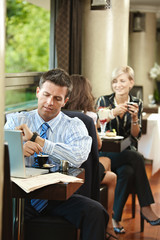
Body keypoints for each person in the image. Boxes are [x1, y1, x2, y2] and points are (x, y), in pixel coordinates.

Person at [4, 68, 109, 240]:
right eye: (46, 95)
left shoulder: (74, 125)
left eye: (57, 98)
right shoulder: (17, 120)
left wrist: (39, 141)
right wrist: (16, 150)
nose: (49, 102)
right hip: (22, 198)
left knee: (96, 212)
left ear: (65, 101)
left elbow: (78, 156)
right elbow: (2, 152)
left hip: (59, 197)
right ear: (38, 92)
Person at [96, 65, 160, 233]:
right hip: (107, 154)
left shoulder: (136, 103)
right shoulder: (104, 101)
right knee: (137, 158)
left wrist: (134, 119)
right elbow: (97, 125)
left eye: (122, 81)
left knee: (127, 171)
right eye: (115, 81)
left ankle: (114, 219)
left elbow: (135, 135)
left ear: (131, 83)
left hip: (126, 155)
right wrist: (113, 113)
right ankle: (146, 207)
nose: (118, 85)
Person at [64, 74, 117, 240]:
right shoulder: (88, 117)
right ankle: (108, 224)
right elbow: (97, 146)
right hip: (84, 175)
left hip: (71, 170)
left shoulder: (62, 116)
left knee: (107, 167)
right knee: (110, 172)